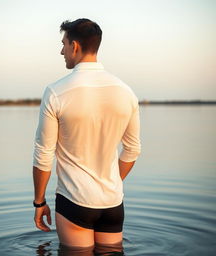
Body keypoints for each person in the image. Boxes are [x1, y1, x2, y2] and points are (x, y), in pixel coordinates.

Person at [32, 18, 141, 251]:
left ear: (75, 46)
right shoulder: (126, 91)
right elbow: (132, 150)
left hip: (75, 201)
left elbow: (43, 155)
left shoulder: (56, 92)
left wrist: (39, 201)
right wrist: (108, 183)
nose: (61, 51)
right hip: (112, 203)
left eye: (63, 44)